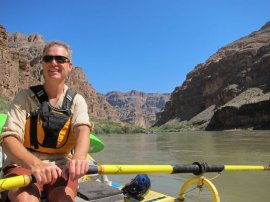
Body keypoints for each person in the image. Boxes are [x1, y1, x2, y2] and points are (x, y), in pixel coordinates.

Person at [0, 41, 93, 202]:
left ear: (69, 66)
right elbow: (8, 139)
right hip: (22, 164)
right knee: (25, 199)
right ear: (42, 64)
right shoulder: (24, 97)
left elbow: (82, 129)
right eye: (48, 59)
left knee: (62, 199)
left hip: (61, 167)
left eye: (60, 59)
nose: (53, 63)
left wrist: (79, 157)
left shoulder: (77, 101)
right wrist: (35, 165)